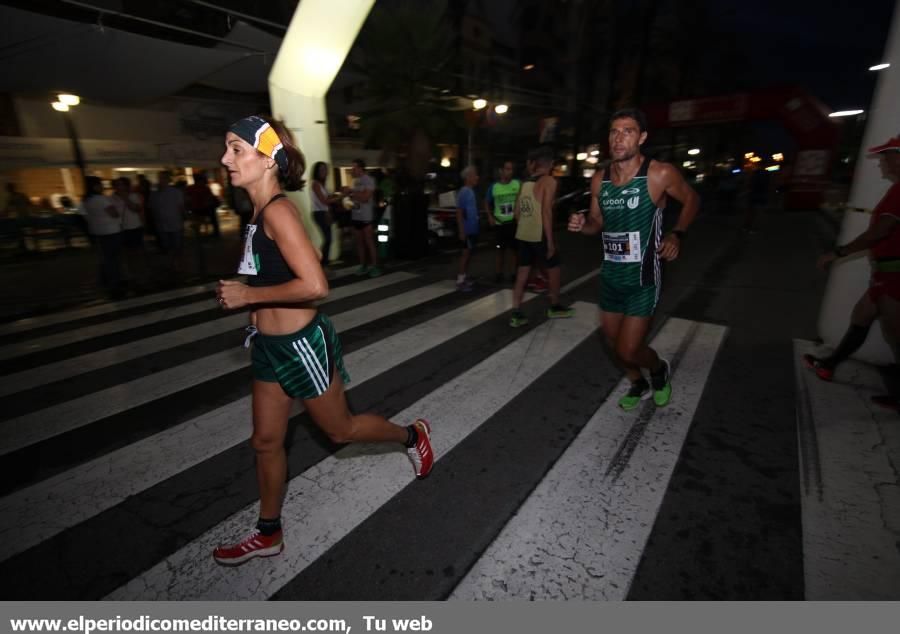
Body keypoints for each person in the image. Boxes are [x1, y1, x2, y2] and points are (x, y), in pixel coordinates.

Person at [213, 115, 433, 566]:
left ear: (268, 158)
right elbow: (303, 259)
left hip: (301, 347)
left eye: (236, 149)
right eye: (227, 148)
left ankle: (412, 435)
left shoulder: (276, 210)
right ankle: (268, 532)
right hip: (269, 348)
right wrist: (254, 304)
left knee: (340, 430)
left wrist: (249, 294)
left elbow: (316, 286)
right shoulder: (258, 212)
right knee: (265, 442)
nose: (225, 159)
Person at [568, 108, 699, 409]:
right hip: (611, 277)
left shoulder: (659, 173)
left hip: (643, 279)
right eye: (614, 131)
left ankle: (657, 370)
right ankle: (636, 382)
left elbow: (692, 199)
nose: (619, 138)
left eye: (627, 131)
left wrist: (676, 233)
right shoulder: (600, 180)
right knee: (615, 346)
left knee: (629, 349)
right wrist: (581, 225)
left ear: (641, 137)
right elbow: (596, 224)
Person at [803, 136, 900, 410]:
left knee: (896, 334)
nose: (882, 162)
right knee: (862, 316)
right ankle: (829, 364)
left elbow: (881, 231)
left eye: (886, 156)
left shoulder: (899, 192)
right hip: (886, 272)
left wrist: (838, 253)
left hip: (894, 275)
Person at [509, 146, 574, 326]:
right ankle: (554, 306)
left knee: (522, 273)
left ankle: (516, 312)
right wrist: (551, 242)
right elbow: (546, 211)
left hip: (523, 234)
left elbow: (516, 213)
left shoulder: (525, 183)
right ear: (550, 164)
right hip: (539, 235)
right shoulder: (549, 181)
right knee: (554, 270)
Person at [83, 176, 124, 298]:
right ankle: (115, 284)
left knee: (105, 258)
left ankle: (106, 281)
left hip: (98, 232)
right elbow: (114, 213)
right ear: (95, 186)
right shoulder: (101, 199)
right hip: (110, 231)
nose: (102, 186)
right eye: (100, 184)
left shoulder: (87, 200)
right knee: (113, 260)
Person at [343, 158, 381, 277]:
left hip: (366, 216)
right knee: (359, 243)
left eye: (354, 168)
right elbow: (358, 197)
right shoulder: (356, 181)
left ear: (360, 168)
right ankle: (363, 265)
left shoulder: (369, 180)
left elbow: (366, 197)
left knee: (369, 242)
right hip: (356, 215)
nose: (352, 170)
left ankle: (375, 266)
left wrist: (351, 193)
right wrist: (350, 197)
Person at [485, 160, 520, 283]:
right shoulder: (494, 187)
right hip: (499, 224)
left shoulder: (518, 184)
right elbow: (487, 202)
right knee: (500, 249)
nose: (509, 172)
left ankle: (513, 274)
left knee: (514, 250)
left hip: (513, 223)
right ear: (501, 170)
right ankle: (498, 273)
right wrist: (489, 216)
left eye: (511, 169)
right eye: (507, 169)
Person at [112, 176, 147, 287]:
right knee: (125, 254)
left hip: (134, 227)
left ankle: (140, 275)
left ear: (126, 186)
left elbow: (137, 209)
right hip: (120, 229)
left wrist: (126, 198)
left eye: (121, 184)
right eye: (116, 184)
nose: (118, 187)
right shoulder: (111, 198)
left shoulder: (134, 196)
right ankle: (129, 275)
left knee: (137, 253)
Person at [150, 170, 186, 278]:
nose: (161, 181)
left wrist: (183, 219)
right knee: (166, 246)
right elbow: (153, 208)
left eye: (163, 178)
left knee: (177, 245)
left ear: (167, 179)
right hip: (162, 224)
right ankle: (171, 264)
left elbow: (181, 207)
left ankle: (177, 264)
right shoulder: (155, 193)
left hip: (175, 223)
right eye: (160, 178)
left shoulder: (175, 192)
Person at [310, 161, 341, 267]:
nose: (324, 171)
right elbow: (324, 201)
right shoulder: (315, 184)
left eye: (325, 169)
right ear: (317, 172)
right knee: (328, 239)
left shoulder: (322, 184)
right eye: (321, 169)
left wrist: (336, 195)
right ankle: (321, 264)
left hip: (324, 213)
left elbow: (328, 199)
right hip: (319, 214)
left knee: (328, 239)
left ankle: (323, 264)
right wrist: (340, 196)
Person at [456, 165, 480, 291]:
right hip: (467, 230)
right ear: (468, 177)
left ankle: (464, 277)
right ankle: (460, 281)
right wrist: (461, 230)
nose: (477, 177)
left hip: (472, 230)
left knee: (468, 254)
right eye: (475, 175)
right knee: (465, 254)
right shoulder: (464, 191)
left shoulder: (470, 191)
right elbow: (459, 212)